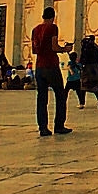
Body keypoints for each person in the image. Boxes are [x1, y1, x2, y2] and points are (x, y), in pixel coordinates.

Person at [30, 8, 73, 136]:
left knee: (42, 98)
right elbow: (54, 46)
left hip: (39, 67)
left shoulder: (35, 29)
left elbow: (34, 50)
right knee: (60, 95)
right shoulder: (52, 27)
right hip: (51, 66)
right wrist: (65, 49)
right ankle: (59, 125)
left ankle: (43, 127)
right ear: (53, 16)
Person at [79, 34, 98, 108]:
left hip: (87, 68)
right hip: (95, 69)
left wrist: (81, 65)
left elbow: (83, 58)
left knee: (83, 86)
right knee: (93, 86)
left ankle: (82, 103)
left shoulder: (85, 48)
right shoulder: (96, 47)